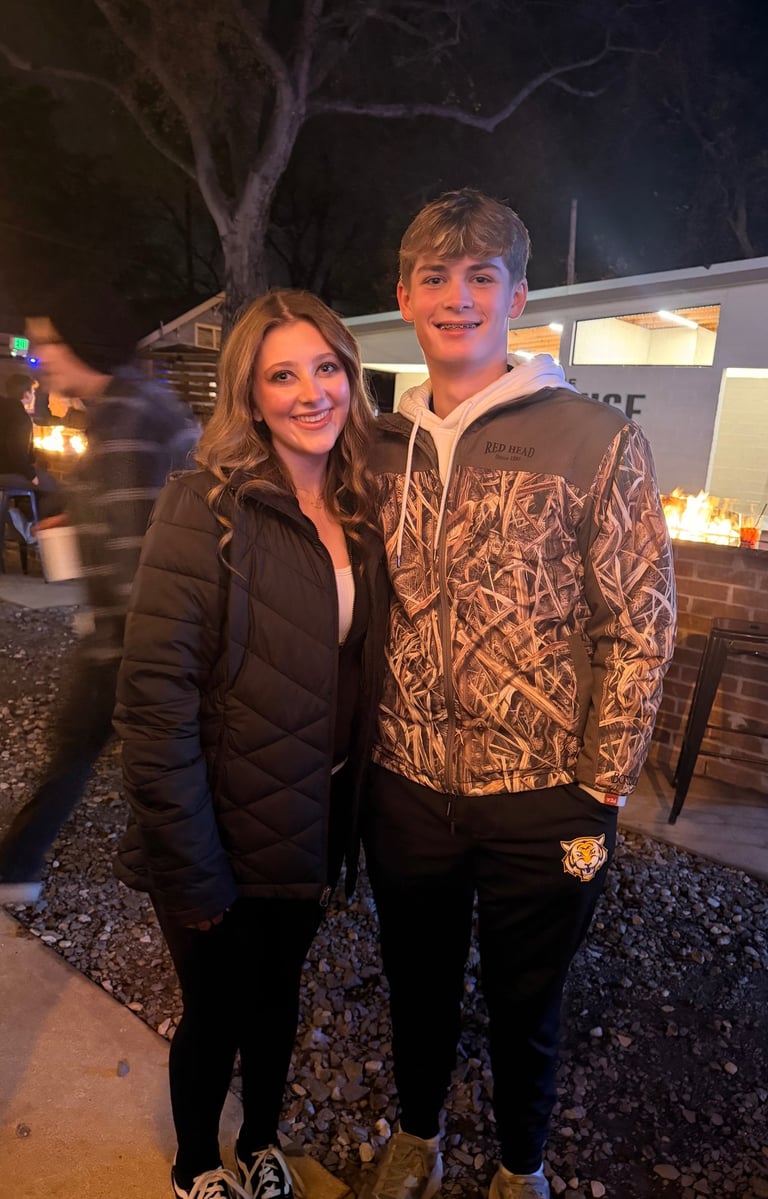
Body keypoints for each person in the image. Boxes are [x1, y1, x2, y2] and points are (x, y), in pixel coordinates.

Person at [362, 189, 678, 1199]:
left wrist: (601, 784)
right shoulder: (376, 448)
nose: (457, 298)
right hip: (407, 786)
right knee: (414, 980)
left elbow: (640, 624)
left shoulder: (596, 440)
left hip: (545, 794)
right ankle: (417, 1134)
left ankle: (520, 1164)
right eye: (436, 277)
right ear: (405, 297)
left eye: (480, 276)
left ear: (518, 295)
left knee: (527, 995)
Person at [111, 289, 388, 1199]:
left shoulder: (359, 506)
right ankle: (196, 1164)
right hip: (218, 823)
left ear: (350, 375)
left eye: (326, 368)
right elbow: (153, 699)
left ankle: (262, 1142)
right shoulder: (203, 505)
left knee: (277, 997)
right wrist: (191, 864)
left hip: (310, 818)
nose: (311, 392)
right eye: (283, 375)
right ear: (251, 396)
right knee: (217, 1007)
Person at [0, 283, 199, 903]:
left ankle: (17, 868)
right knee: (94, 750)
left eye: (49, 344)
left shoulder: (125, 422)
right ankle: (18, 865)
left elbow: (140, 552)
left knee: (92, 750)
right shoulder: (133, 405)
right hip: (136, 637)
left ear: (82, 344)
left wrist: (125, 649)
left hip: (128, 640)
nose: (42, 360)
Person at [0, 371, 60, 529]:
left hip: (4, 470)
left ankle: (19, 519)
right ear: (26, 394)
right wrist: (31, 475)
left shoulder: (4, 408)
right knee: (51, 484)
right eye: (32, 392)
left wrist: (31, 459)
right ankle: (35, 529)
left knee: (34, 485)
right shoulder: (20, 416)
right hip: (4, 473)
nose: (33, 395)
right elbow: (14, 449)